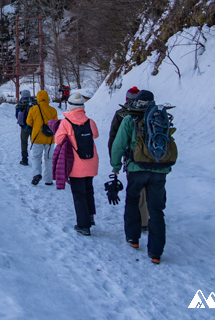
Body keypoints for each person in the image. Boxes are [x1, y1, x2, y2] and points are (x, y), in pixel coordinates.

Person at [110, 89, 171, 264]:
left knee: (133, 201)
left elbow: (119, 143)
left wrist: (115, 166)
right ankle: (156, 252)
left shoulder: (131, 118)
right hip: (159, 168)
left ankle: (133, 238)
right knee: (156, 210)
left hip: (136, 167)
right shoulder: (161, 117)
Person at [54, 92, 99, 236]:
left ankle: (83, 225)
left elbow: (58, 140)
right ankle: (90, 216)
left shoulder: (66, 123)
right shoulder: (90, 121)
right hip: (91, 162)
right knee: (88, 189)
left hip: (75, 164)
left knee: (79, 194)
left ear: (69, 106)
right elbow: (95, 135)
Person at [108, 86, 149, 233]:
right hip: (154, 158)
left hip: (132, 157)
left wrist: (115, 162)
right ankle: (147, 217)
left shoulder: (121, 114)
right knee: (148, 188)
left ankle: (139, 221)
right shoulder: (153, 114)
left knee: (136, 189)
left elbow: (114, 138)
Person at [24, 89, 57, 185]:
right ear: (47, 98)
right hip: (50, 139)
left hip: (37, 138)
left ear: (38, 98)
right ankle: (48, 180)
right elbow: (55, 124)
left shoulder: (33, 109)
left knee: (36, 157)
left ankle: (36, 174)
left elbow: (28, 122)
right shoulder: (53, 110)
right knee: (48, 159)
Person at [15, 89, 33, 166]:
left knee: (24, 142)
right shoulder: (33, 103)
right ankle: (38, 159)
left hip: (24, 127)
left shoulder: (19, 104)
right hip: (33, 127)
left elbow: (16, 116)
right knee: (35, 142)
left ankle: (24, 159)